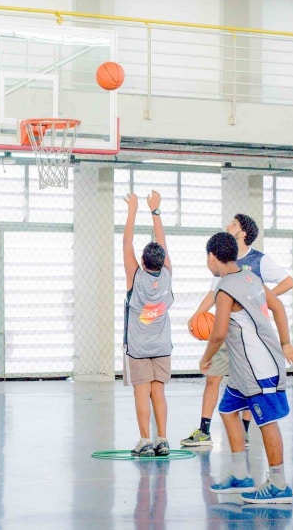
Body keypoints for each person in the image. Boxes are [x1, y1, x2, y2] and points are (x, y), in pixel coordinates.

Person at [200, 232, 293, 504]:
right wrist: (286, 342)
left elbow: (219, 332)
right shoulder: (250, 276)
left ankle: (279, 484)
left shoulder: (225, 288)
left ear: (212, 256)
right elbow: (278, 307)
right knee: (228, 410)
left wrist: (205, 358)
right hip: (244, 370)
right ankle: (240, 475)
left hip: (258, 367)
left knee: (267, 423)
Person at [182, 213, 293, 447]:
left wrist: (259, 301)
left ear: (243, 233)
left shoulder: (258, 262)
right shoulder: (225, 267)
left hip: (248, 337)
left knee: (252, 392)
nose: (228, 225)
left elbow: (288, 283)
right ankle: (205, 430)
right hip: (229, 330)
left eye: (233, 224)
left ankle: (245, 435)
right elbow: (214, 294)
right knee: (215, 380)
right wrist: (197, 315)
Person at [122, 191, 173, 457]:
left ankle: (145, 440)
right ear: (163, 260)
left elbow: (126, 243)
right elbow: (162, 242)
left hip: (140, 348)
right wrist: (155, 211)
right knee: (159, 393)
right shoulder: (167, 275)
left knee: (142, 393)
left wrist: (132, 210)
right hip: (162, 346)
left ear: (142, 262)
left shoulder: (135, 277)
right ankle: (162, 439)